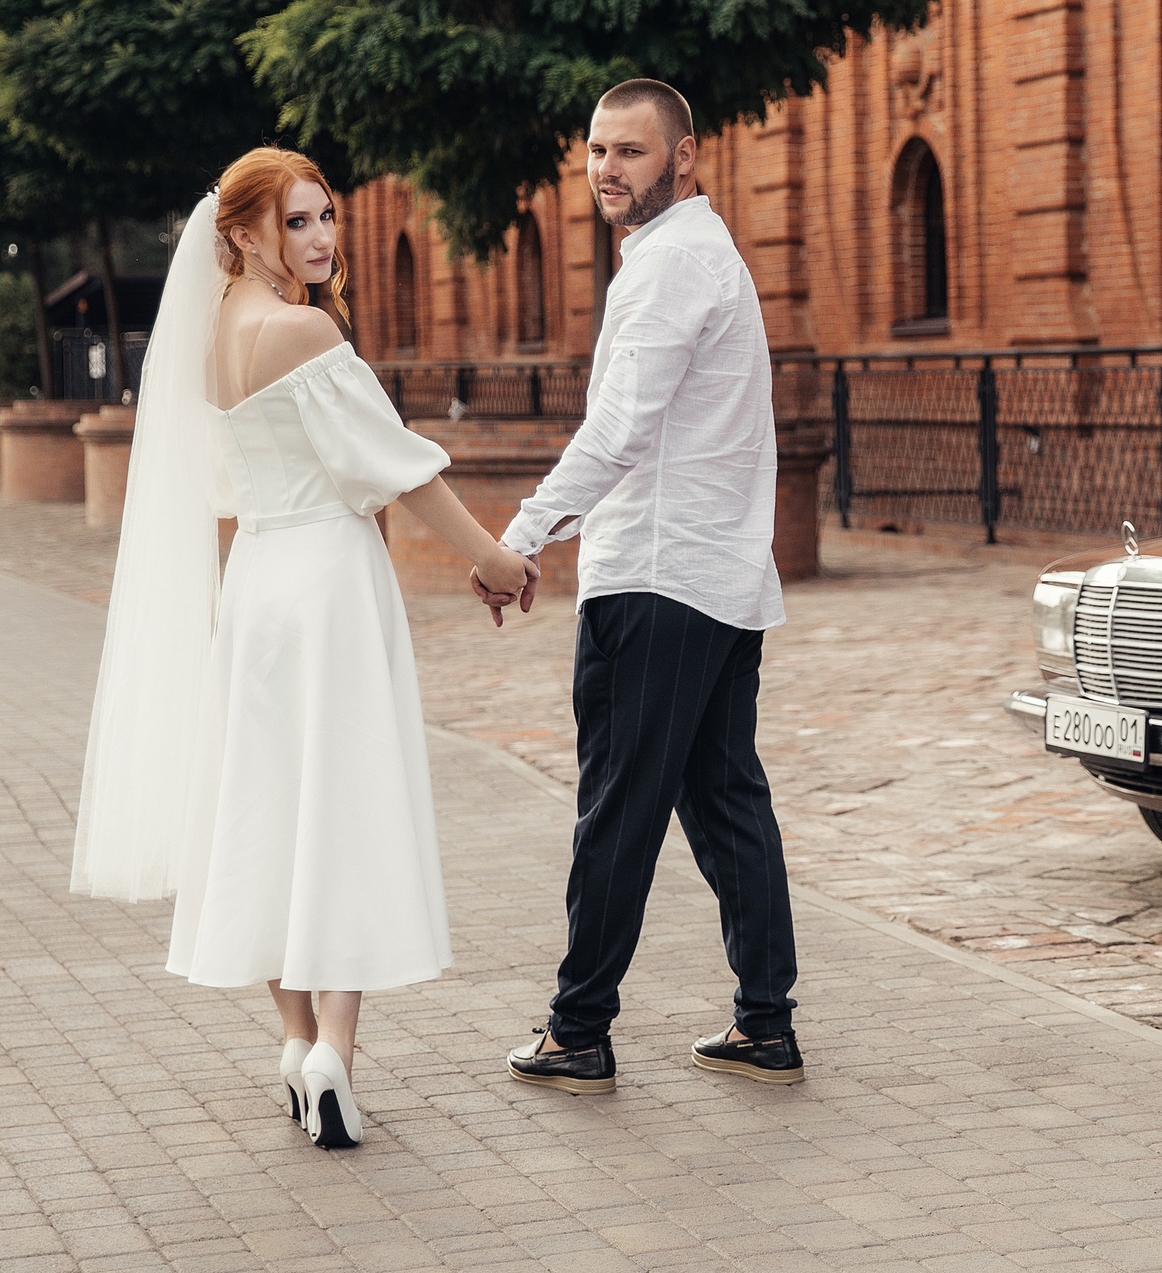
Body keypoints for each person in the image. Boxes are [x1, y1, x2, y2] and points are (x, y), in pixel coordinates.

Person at [72, 146, 540, 1149]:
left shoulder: (206, 342)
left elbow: (220, 484)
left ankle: (291, 1046)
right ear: (242, 234)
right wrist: (497, 560)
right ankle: (335, 1050)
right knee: (343, 805)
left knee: (266, 808)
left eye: (327, 217)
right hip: (328, 581)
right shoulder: (305, 332)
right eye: (297, 222)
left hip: (257, 587)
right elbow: (399, 472)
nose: (322, 239)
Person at [473, 79, 801, 1094]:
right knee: (723, 799)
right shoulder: (702, 257)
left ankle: (579, 1030)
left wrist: (518, 537)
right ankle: (765, 1023)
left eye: (630, 151)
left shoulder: (670, 268)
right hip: (713, 575)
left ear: (685, 157)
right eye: (596, 151)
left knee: (620, 805)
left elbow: (618, 432)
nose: (607, 169)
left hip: (657, 578)